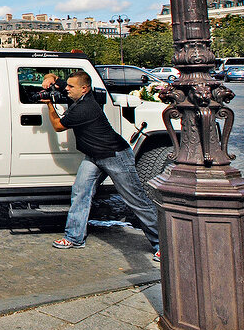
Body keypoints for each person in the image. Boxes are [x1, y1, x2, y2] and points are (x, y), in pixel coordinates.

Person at [41, 71, 160, 260]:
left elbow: (57, 125)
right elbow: (55, 78)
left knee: (135, 199)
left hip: (115, 156)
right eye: (68, 86)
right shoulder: (78, 93)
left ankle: (161, 244)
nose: (67, 89)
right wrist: (50, 79)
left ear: (84, 89)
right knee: (80, 193)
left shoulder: (86, 108)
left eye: (71, 87)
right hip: (94, 156)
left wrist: (48, 104)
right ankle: (74, 237)